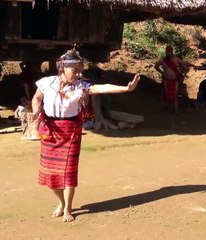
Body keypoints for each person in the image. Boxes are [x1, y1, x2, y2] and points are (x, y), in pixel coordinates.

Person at [30, 48, 141, 222]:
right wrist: (36, 113)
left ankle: (67, 207)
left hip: (71, 131)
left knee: (68, 172)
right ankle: (60, 202)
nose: (78, 73)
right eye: (74, 69)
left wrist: (125, 89)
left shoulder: (81, 87)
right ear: (62, 68)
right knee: (50, 174)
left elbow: (101, 88)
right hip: (50, 131)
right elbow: (37, 98)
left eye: (79, 69)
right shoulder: (46, 83)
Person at [154, 46, 195, 114]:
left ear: (172, 52)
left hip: (174, 80)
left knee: (175, 95)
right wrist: (162, 72)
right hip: (166, 80)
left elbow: (184, 62)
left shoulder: (175, 59)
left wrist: (193, 65)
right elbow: (156, 66)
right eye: (167, 52)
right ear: (166, 52)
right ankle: (169, 110)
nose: (168, 54)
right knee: (167, 95)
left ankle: (176, 110)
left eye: (170, 52)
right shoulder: (163, 60)